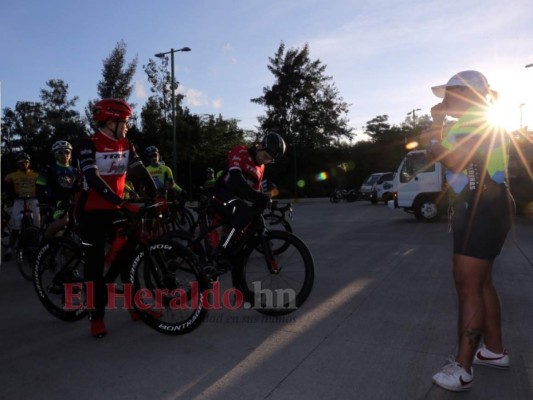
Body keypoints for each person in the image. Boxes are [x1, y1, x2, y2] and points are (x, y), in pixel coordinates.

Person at [426, 71, 514, 391]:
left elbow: (453, 159)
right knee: (482, 282)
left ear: (468, 95)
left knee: (468, 286)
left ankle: (462, 368)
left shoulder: (475, 122)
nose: (443, 101)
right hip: (487, 208)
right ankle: (493, 350)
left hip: (480, 211)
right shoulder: (476, 121)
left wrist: (435, 128)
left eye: (449, 94)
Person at [77, 98, 159, 339]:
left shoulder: (126, 144)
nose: (128, 126)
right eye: (125, 121)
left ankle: (136, 307)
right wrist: (121, 202)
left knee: (128, 259)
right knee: (94, 266)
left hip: (115, 208)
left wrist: (157, 195)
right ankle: (96, 316)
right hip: (91, 210)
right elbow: (91, 178)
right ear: (110, 121)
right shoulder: (87, 143)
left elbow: (140, 171)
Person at [210, 132, 286, 264]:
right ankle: (221, 251)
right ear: (260, 147)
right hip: (220, 195)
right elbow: (235, 176)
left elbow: (257, 190)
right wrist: (256, 195)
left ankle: (232, 254)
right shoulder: (240, 151)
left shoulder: (261, 168)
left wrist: (267, 200)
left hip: (234, 200)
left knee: (250, 218)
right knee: (243, 211)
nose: (265, 161)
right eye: (265, 156)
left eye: (269, 160)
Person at [36, 141, 79, 238]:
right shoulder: (48, 169)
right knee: (64, 220)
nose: (64, 155)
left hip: (71, 203)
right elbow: (39, 186)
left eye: (67, 152)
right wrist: (43, 201)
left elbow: (77, 189)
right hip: (55, 203)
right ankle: (43, 242)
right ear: (54, 154)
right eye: (60, 152)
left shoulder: (75, 170)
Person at [3, 152, 40, 262]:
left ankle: (37, 246)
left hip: (33, 199)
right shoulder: (11, 176)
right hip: (18, 200)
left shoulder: (36, 175)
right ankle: (9, 249)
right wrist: (10, 194)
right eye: (21, 162)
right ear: (17, 163)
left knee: (36, 224)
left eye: (26, 162)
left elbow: (42, 187)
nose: (23, 164)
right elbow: (5, 186)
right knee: (15, 225)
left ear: (29, 163)